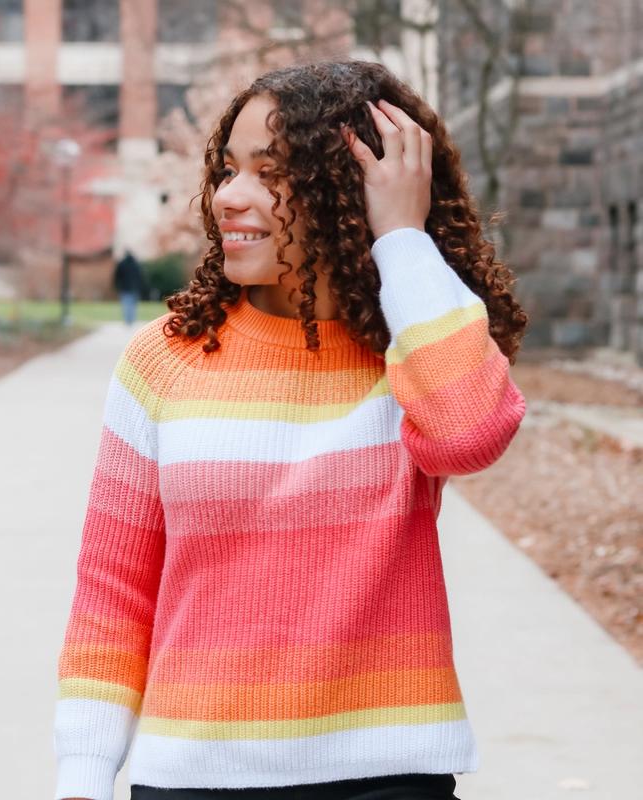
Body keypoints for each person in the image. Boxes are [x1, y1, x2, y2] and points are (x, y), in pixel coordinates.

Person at [53, 61, 528, 800]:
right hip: (192, 780)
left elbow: (471, 431)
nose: (228, 198)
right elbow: (113, 593)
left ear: (347, 193)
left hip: (387, 775)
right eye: (228, 170)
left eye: (269, 173)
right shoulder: (163, 359)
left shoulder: (410, 350)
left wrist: (401, 237)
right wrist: (82, 776)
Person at [113, 249, 145, 325]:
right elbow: (140, 276)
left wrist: (117, 285)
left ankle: (127, 320)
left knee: (126, 304)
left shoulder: (122, 264)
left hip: (124, 287)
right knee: (133, 304)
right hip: (134, 287)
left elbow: (117, 276)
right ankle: (132, 319)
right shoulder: (135, 264)